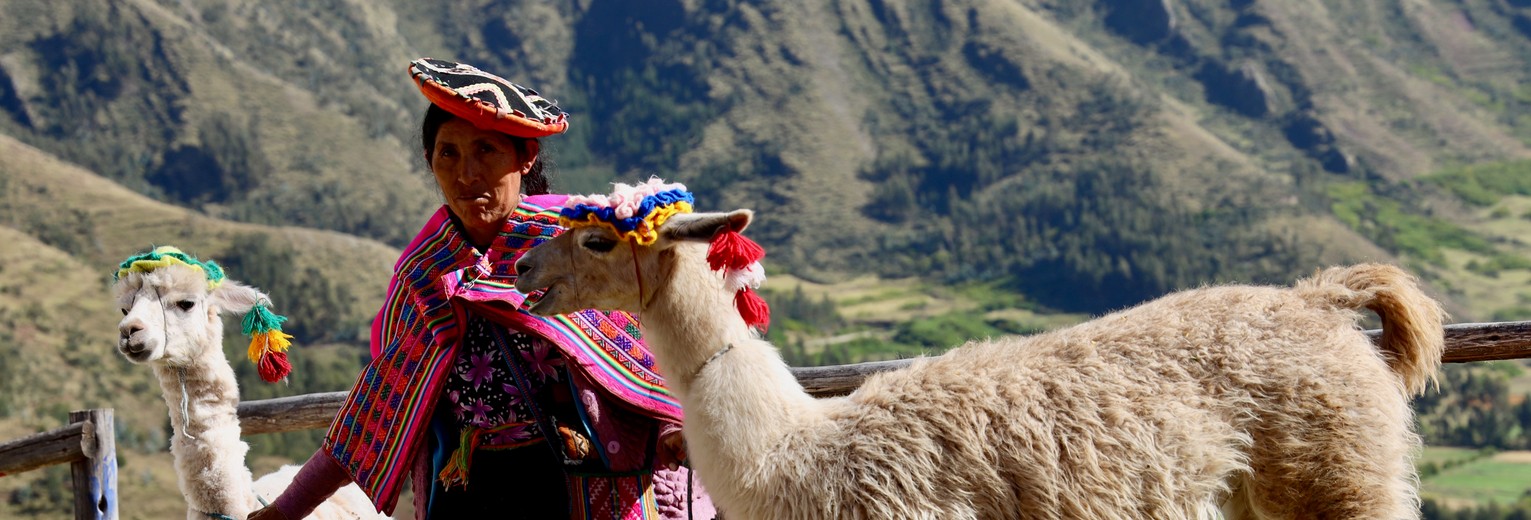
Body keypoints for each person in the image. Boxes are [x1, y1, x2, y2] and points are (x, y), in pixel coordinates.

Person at [251, 58, 714, 520]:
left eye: (486, 151)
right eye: (447, 153)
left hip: (583, 489)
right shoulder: (427, 277)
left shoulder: (579, 253)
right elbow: (376, 412)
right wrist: (285, 511)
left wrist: (677, 426)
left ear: (525, 157)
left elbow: (648, 357)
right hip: (471, 493)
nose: (465, 174)